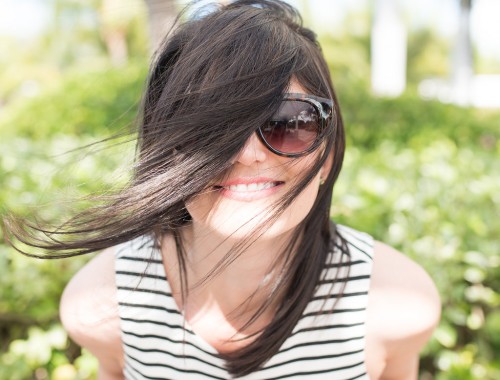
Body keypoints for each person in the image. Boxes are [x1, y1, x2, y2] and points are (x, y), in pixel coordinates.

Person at [4, 1, 441, 379]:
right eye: (212, 127)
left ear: (327, 156)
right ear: (166, 151)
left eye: (290, 122)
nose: (249, 153)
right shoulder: (104, 307)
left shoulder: (396, 308)